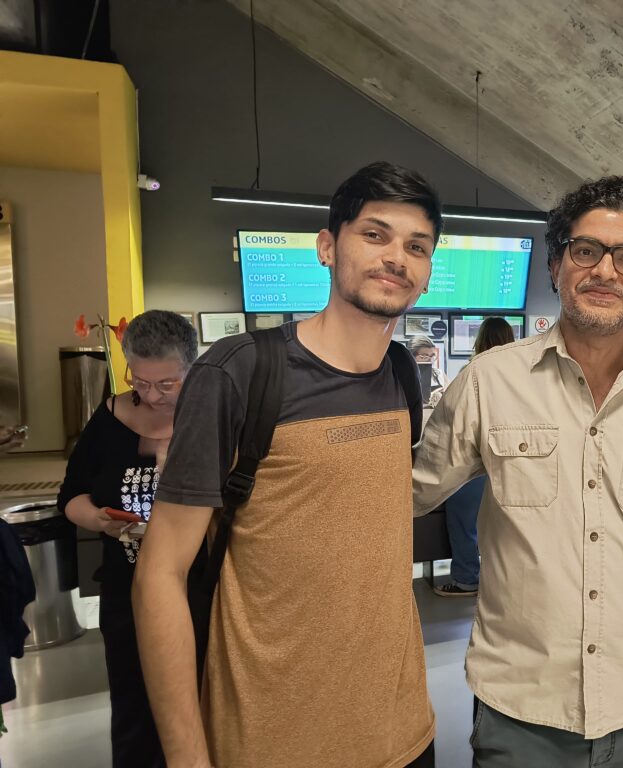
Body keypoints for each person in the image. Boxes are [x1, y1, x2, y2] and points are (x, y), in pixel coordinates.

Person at [133, 162, 442, 768]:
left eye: (416, 246)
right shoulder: (239, 371)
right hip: (270, 739)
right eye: (374, 235)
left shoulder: (403, 373)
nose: (395, 258)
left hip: (403, 733)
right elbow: (159, 575)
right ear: (327, 247)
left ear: (428, 272)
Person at [414, 176, 623, 767]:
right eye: (586, 251)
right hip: (520, 714)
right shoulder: (490, 382)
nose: (605, 271)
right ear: (557, 264)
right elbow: (407, 492)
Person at [57, 309, 198, 768]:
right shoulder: (110, 417)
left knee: (204, 701)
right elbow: (71, 494)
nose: (151, 395)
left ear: (191, 369)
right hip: (127, 589)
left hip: (203, 589)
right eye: (140, 381)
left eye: (167, 384)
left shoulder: (212, 417)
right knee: (136, 708)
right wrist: (98, 519)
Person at [432, 317, 515, 598]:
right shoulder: (523, 375)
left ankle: (467, 577)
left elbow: (454, 417)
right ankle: (504, 582)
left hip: (475, 463)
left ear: (481, 340)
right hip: (511, 463)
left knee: (463, 519)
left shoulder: (475, 372)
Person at [409, 334, 449, 406]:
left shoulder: (439, 375)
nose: (430, 360)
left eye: (432, 356)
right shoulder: (402, 376)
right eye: (424, 356)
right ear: (411, 356)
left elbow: (451, 399)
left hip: (435, 415)